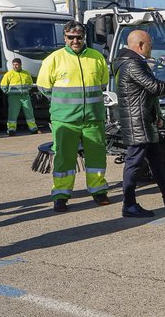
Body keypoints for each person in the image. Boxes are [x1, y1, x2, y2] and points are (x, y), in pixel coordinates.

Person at [113, 30, 165, 217]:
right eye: (150, 44)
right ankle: (129, 204)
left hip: (143, 120)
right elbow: (155, 87)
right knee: (134, 162)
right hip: (137, 122)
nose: (152, 48)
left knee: (156, 161)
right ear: (140, 45)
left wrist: (156, 114)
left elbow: (146, 94)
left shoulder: (134, 62)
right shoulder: (132, 64)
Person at [37, 21, 110, 213]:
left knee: (97, 157)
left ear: (84, 37)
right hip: (65, 121)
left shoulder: (97, 58)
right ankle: (61, 196)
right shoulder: (53, 59)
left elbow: (102, 83)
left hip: (93, 119)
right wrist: (66, 105)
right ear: (65, 38)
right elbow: (44, 88)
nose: (75, 40)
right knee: (64, 159)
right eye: (71, 37)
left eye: (79, 37)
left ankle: (99, 191)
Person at [0, 57, 41, 136]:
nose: (15, 66)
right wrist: (7, 92)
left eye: (17, 65)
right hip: (13, 97)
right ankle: (11, 130)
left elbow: (30, 84)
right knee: (13, 114)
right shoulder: (9, 74)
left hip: (25, 96)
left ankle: (33, 129)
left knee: (29, 112)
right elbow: (3, 85)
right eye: (14, 65)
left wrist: (27, 90)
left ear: (20, 65)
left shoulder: (26, 73)